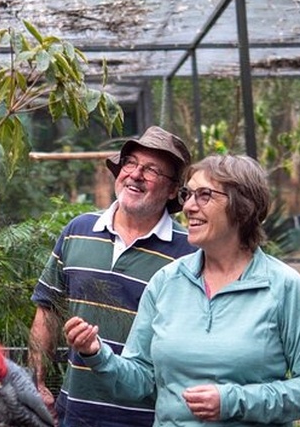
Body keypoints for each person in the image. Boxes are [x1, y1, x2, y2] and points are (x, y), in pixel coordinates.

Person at [64, 154, 300, 427]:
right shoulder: (166, 281)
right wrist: (98, 354)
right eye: (188, 194)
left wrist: (233, 401)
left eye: (204, 195)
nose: (188, 207)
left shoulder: (283, 286)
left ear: (243, 207)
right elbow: (141, 380)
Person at [29, 126, 197, 427]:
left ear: (173, 190)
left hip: (150, 418)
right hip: (76, 414)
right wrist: (37, 383)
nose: (135, 174)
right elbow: (47, 309)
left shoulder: (190, 252)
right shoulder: (78, 231)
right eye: (130, 163)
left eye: (151, 170)